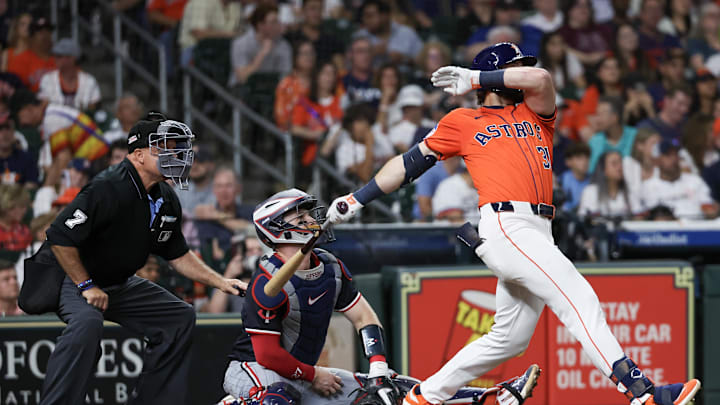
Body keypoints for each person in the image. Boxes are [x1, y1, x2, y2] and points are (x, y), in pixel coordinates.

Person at [324, 42, 701, 405]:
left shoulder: (536, 110)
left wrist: (474, 79)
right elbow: (407, 165)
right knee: (579, 298)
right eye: (514, 67)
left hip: (539, 229)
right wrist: (357, 198)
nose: (523, 72)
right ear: (498, 73)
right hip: (506, 224)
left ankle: (425, 396)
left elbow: (543, 79)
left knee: (509, 339)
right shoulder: (462, 120)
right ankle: (642, 392)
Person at [221, 188, 538, 405]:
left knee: (390, 391)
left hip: (304, 374)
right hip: (254, 371)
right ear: (278, 230)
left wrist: (378, 369)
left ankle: (493, 395)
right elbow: (267, 356)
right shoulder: (265, 280)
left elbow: (365, 317)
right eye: (300, 218)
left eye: (308, 214)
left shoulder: (330, 268)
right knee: (279, 397)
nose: (311, 220)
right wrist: (314, 374)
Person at [19, 115, 246, 404]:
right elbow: (60, 237)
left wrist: (220, 281)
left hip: (117, 282)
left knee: (179, 318)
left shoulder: (165, 196)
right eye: (164, 147)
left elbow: (177, 253)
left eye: (176, 148)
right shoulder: (108, 186)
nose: (175, 154)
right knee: (88, 323)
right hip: (72, 276)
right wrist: (87, 285)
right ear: (138, 155)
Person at [10, 89, 108, 188]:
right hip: (95, 161)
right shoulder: (51, 114)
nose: (21, 123)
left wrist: (47, 189)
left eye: (19, 117)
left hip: (98, 162)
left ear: (28, 109)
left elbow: (63, 159)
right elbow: (59, 160)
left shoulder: (51, 118)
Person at [640, 138, 718, 219]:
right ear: (656, 160)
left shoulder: (695, 181)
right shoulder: (648, 186)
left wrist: (710, 210)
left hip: (696, 227)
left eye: (676, 154)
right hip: (666, 229)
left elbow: (707, 206)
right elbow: (650, 215)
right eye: (668, 155)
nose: (674, 159)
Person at [230, 4, 292, 87]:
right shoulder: (241, 44)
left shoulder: (283, 45)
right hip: (242, 90)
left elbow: (286, 76)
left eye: (278, 21)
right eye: (274, 22)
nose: (279, 25)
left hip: (271, 89)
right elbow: (242, 78)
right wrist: (262, 54)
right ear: (260, 25)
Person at [37, 38, 101, 112]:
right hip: (54, 122)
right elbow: (42, 106)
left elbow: (94, 108)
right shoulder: (47, 79)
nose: (55, 58)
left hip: (81, 122)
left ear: (72, 58)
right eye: (55, 55)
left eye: (59, 56)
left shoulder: (89, 81)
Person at [587, 96, 637, 173]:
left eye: (601, 114)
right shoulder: (594, 142)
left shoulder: (635, 136)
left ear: (614, 117)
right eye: (597, 114)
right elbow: (591, 172)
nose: (597, 119)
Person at [6, 16, 56, 92]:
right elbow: (14, 94)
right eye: (40, 32)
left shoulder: (61, 59)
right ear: (31, 37)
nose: (46, 35)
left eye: (48, 31)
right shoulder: (20, 61)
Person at [0, 113, 38, 188]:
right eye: (0, 129)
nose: (4, 134)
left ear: (14, 132)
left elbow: (32, 185)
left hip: (19, 198)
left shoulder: (26, 158)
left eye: (8, 128)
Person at [560, 142, 591, 212]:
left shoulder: (594, 181)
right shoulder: (561, 181)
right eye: (579, 158)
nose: (585, 161)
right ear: (568, 161)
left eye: (587, 157)